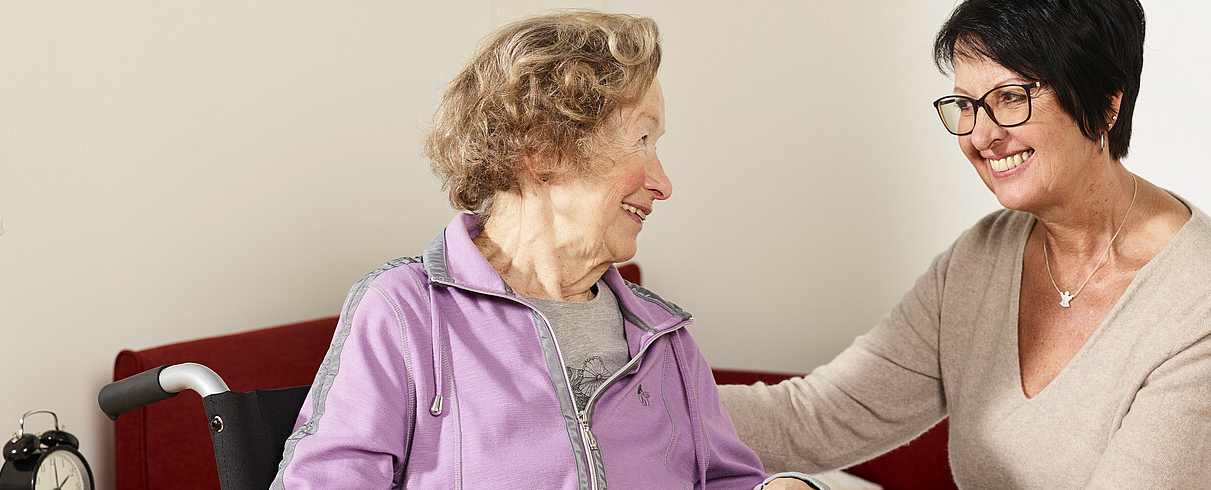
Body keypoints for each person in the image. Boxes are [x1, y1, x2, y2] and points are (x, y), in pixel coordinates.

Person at [718, 0, 1211, 488]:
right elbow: (819, 417)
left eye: (1010, 98)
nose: (980, 135)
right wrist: (638, 397)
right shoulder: (980, 260)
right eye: (966, 105)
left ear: (1106, 100)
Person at [271, 11, 822, 490]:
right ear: (541, 145)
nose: (662, 182)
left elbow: (728, 480)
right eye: (642, 140)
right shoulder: (408, 313)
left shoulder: (663, 338)